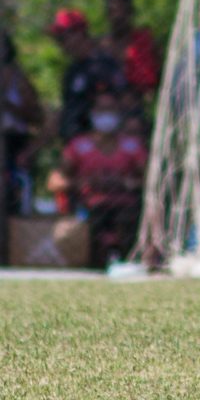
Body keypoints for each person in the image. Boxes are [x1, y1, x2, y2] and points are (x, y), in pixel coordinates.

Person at [47, 89, 148, 268]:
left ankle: (129, 259)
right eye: (101, 109)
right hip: (89, 206)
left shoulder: (132, 146)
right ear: (92, 113)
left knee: (128, 219)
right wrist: (80, 183)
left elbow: (149, 180)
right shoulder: (78, 147)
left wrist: (126, 184)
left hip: (125, 207)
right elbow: (55, 182)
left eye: (111, 109)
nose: (106, 114)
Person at [48, 8, 127, 141]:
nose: (61, 43)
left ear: (79, 33)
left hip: (100, 147)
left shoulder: (102, 64)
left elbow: (115, 105)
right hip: (76, 147)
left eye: (63, 37)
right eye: (58, 39)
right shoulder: (72, 71)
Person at [0, 30, 44, 214]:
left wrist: (8, 105)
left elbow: (37, 116)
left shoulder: (19, 79)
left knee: (16, 192)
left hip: (14, 142)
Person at [100, 0, 161, 99]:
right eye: (113, 11)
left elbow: (153, 78)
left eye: (123, 11)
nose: (118, 16)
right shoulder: (101, 46)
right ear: (107, 14)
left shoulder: (144, 41)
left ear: (131, 12)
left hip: (138, 102)